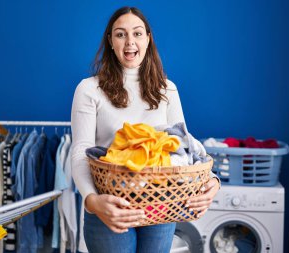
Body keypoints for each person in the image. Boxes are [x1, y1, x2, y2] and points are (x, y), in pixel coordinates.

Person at [71, 6, 220, 253]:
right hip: (111, 204)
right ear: (110, 41)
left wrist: (213, 181)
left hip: (161, 203)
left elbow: (186, 147)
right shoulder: (88, 90)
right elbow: (80, 151)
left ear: (148, 39)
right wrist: (93, 201)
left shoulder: (167, 89)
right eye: (120, 34)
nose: (130, 42)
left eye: (137, 33)